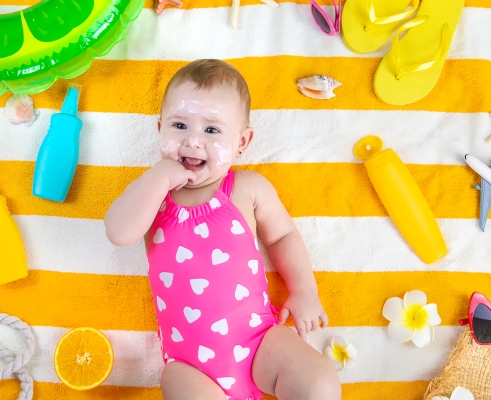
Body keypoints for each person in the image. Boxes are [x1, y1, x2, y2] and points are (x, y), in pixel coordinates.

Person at [104, 59, 341, 400]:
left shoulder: (247, 188)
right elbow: (118, 232)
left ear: (242, 142)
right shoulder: (152, 197)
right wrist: (156, 178)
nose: (193, 142)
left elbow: (282, 236)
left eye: (212, 131)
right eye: (180, 125)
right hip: (190, 369)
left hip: (259, 341)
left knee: (318, 383)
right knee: (174, 382)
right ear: (159, 129)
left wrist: (304, 289)